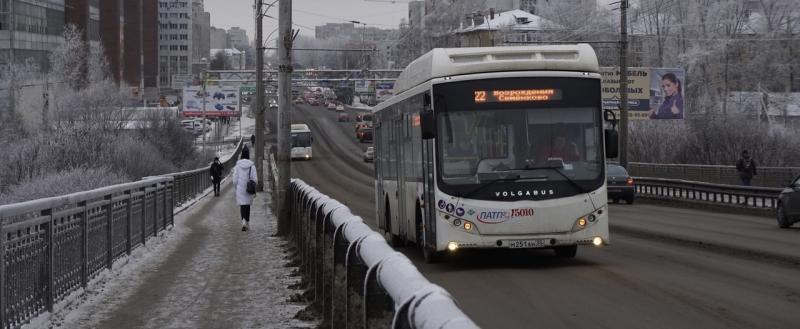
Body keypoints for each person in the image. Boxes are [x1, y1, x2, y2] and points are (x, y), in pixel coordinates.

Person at [232, 148, 258, 231]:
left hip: (240, 188)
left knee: (242, 205)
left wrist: (236, 187)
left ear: (242, 155)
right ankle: (247, 222)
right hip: (249, 188)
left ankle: (243, 221)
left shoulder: (237, 166)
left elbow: (235, 180)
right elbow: (255, 179)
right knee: (247, 205)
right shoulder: (252, 166)